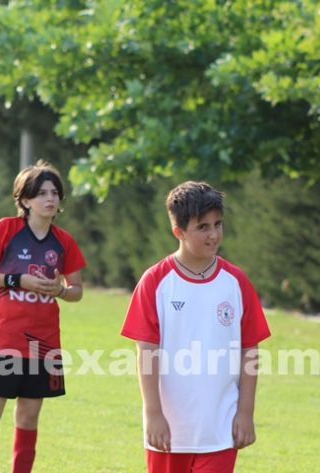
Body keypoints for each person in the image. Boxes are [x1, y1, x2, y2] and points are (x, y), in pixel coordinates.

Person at [121, 181, 271, 473]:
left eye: (218, 224)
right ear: (178, 231)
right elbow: (146, 354)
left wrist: (245, 412)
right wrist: (153, 414)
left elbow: (249, 351)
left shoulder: (236, 282)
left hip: (221, 428)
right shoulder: (155, 282)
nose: (214, 234)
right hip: (170, 431)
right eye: (203, 227)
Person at [0, 160, 86, 473]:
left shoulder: (64, 241)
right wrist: (18, 280)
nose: (50, 198)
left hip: (43, 345)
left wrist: (60, 290)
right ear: (25, 200)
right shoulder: (6, 230)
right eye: (42, 193)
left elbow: (77, 291)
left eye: (54, 193)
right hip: (5, 341)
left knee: (28, 417)